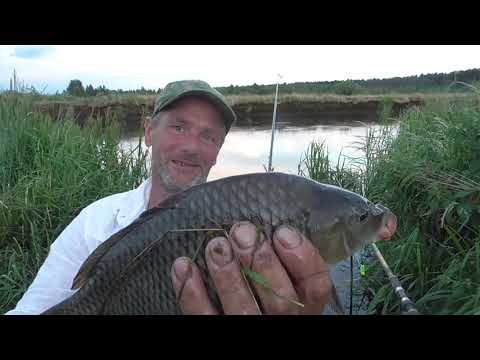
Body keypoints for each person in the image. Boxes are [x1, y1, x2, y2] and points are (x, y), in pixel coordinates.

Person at [5, 80, 333, 315]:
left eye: (208, 136)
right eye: (179, 127)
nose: (191, 145)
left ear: (217, 152)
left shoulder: (248, 228)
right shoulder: (93, 222)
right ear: (148, 132)